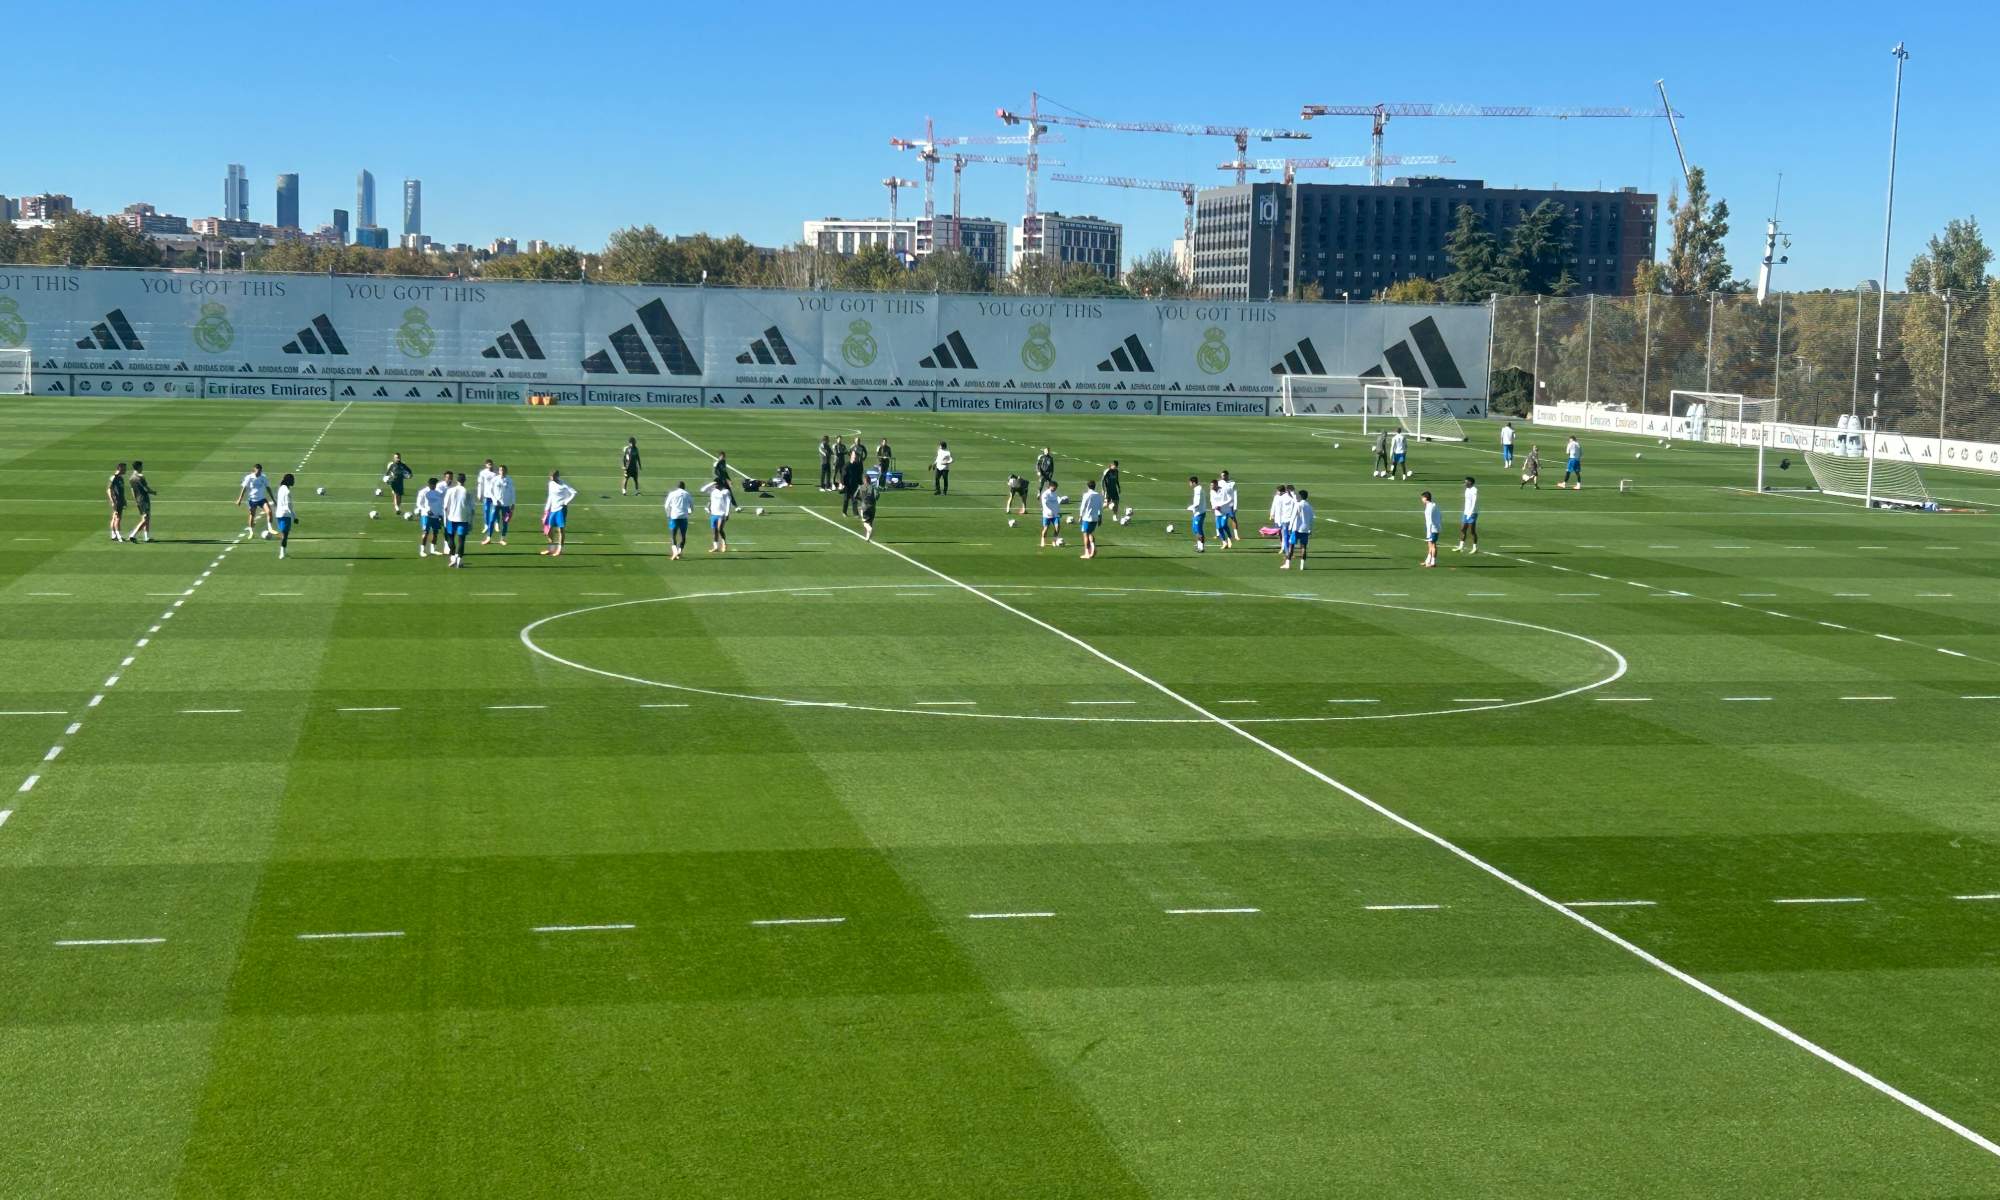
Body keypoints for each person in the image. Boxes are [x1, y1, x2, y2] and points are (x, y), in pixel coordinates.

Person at [541, 471, 577, 556]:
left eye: (553, 476)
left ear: (557, 476)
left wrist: (566, 502)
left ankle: (560, 550)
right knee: (549, 529)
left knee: (560, 529)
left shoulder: (563, 484)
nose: (552, 478)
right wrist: (546, 509)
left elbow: (574, 492)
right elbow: (550, 496)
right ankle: (551, 548)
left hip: (561, 509)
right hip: (553, 509)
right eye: (551, 477)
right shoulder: (550, 484)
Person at [236, 463, 275, 539]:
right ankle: (251, 532)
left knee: (269, 511)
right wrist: (239, 499)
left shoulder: (263, 477)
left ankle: (270, 528)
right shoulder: (249, 477)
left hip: (262, 499)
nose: (260, 473)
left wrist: (273, 499)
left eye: (260, 471)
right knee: (252, 515)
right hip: (252, 500)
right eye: (258, 471)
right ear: (254, 470)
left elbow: (268, 488)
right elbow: (244, 488)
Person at [442, 470, 472, 567]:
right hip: (463, 519)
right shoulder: (467, 492)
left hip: (451, 518)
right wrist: (470, 522)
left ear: (457, 480)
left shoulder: (450, 491)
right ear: (465, 481)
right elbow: (471, 509)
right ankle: (459, 560)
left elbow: (445, 507)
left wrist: (445, 520)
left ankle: (453, 557)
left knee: (450, 538)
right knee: (461, 540)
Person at [1282, 489, 1315, 570]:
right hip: (1305, 529)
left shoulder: (1298, 505)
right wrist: (1310, 529)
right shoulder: (1310, 506)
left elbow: (1293, 516)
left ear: (1300, 496)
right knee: (1303, 547)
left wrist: (1290, 528)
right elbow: (1311, 519)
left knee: (1291, 546)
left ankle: (1288, 564)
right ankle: (1302, 565)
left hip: (1296, 528)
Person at [700, 478, 735, 552]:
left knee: (720, 529)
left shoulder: (726, 491)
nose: (715, 485)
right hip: (713, 513)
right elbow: (702, 490)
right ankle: (715, 547)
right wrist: (712, 483)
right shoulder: (713, 490)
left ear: (720, 484)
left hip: (722, 514)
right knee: (714, 531)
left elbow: (728, 503)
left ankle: (724, 543)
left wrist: (727, 513)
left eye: (716, 484)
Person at [663, 480, 693, 559]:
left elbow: (666, 506)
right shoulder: (687, 494)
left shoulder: (672, 494)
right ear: (684, 487)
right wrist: (689, 512)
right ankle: (679, 551)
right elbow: (691, 506)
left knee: (673, 535)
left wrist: (668, 514)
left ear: (677, 487)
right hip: (684, 517)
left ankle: (675, 552)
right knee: (683, 536)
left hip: (674, 517)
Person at [128, 460, 156, 542]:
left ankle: (147, 537)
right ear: (139, 467)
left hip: (138, 500)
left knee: (146, 517)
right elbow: (146, 488)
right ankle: (133, 535)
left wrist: (135, 500)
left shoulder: (131, 478)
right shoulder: (140, 477)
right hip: (144, 499)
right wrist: (153, 492)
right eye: (141, 466)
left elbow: (132, 490)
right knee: (146, 519)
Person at [415, 476, 443, 557]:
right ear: (429, 484)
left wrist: (441, 514)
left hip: (436, 516)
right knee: (425, 532)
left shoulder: (438, 493)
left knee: (435, 532)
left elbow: (440, 505)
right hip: (426, 515)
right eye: (433, 484)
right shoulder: (423, 492)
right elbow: (419, 504)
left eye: (435, 484)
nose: (434, 486)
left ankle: (433, 549)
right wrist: (426, 511)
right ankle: (422, 550)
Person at [273, 472, 298, 560]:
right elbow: (289, 506)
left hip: (278, 514)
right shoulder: (287, 491)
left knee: (284, 534)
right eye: (292, 480)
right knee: (285, 535)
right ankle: (282, 553)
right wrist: (295, 517)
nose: (294, 481)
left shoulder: (281, 488)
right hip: (285, 514)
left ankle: (283, 552)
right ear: (288, 480)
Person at [1077, 479, 1104, 559]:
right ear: (1094, 487)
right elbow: (1100, 507)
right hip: (1095, 517)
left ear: (1087, 486)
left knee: (1085, 534)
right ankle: (1093, 546)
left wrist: (1080, 516)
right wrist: (1100, 517)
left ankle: (1087, 553)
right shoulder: (1098, 495)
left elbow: (1083, 506)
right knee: (1090, 533)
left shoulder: (1086, 495)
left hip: (1087, 517)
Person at [490, 465, 515, 544]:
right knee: (491, 520)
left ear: (506, 471)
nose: (502, 471)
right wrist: (494, 500)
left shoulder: (509, 480)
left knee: (505, 522)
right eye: (501, 470)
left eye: (504, 470)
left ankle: (502, 539)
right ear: (499, 471)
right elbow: (490, 491)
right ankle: (488, 538)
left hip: (506, 504)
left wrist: (513, 503)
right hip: (496, 504)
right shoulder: (495, 479)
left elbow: (512, 492)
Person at [476, 458, 499, 542]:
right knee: (486, 510)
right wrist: (479, 494)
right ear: (486, 465)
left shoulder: (496, 473)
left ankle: (496, 523)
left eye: (491, 464)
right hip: (486, 495)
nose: (490, 466)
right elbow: (480, 484)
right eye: (488, 464)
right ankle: (486, 525)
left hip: (495, 495)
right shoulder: (483, 473)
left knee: (495, 510)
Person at [1456, 476, 1479, 555]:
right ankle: (1461, 546)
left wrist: (1470, 513)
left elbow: (1474, 502)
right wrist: (1466, 512)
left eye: (1466, 482)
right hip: (1466, 513)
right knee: (1462, 529)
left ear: (1470, 482)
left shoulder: (1474, 490)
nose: (1464, 483)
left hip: (1472, 513)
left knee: (1472, 531)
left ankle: (1475, 548)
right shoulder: (1467, 489)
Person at [106, 462, 128, 542]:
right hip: (116, 501)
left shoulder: (121, 478)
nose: (126, 470)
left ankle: (113, 535)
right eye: (124, 469)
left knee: (115, 517)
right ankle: (119, 536)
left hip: (120, 501)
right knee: (118, 518)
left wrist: (124, 500)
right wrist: (112, 501)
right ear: (120, 469)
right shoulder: (113, 477)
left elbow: (121, 491)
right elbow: (108, 489)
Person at [1208, 478, 1232, 548]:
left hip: (1225, 511)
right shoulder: (1211, 491)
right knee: (1219, 527)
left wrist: (1220, 505)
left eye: (1212, 485)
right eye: (1210, 485)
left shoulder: (1223, 490)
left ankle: (1230, 538)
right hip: (1217, 512)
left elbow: (1230, 499)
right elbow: (1211, 500)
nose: (1211, 487)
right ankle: (1224, 542)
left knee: (1224, 525)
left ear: (1216, 485)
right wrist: (1213, 507)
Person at [1038, 479, 1062, 548]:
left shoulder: (1055, 494)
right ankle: (1043, 540)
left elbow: (1056, 504)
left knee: (1057, 527)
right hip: (1047, 514)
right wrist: (1049, 512)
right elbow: (1045, 504)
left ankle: (1054, 541)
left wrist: (1058, 512)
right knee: (1046, 528)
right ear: (1050, 486)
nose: (1055, 488)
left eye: (1056, 487)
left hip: (1055, 514)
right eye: (1054, 487)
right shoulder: (1045, 494)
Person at [1186, 474, 1208, 553]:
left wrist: (1191, 507)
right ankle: (1199, 546)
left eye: (1190, 483)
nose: (1189, 484)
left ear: (1193, 482)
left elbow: (1197, 503)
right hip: (1197, 513)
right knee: (1195, 529)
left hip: (1200, 513)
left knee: (1198, 530)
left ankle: (1201, 547)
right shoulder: (1198, 489)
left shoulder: (1198, 490)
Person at [1217, 470, 1240, 543]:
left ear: (1227, 475)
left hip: (1230, 504)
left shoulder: (1232, 483)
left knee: (1233, 518)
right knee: (1222, 519)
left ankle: (1236, 535)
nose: (1222, 477)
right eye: (1221, 475)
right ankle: (1220, 534)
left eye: (1223, 475)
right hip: (1223, 504)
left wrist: (1235, 506)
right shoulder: (1219, 483)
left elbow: (1235, 494)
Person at [841, 446, 865, 516]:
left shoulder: (857, 465)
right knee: (846, 499)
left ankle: (855, 513)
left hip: (854, 485)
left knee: (854, 500)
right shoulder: (847, 465)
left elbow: (858, 476)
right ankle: (844, 512)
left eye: (856, 456)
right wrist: (843, 484)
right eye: (854, 455)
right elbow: (843, 475)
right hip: (848, 485)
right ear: (851, 456)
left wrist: (861, 483)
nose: (855, 457)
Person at [1421, 490, 1441, 567]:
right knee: (1430, 545)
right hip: (1431, 528)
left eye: (1422, 498)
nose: (1422, 500)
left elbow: (1430, 520)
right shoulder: (1432, 505)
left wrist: (1429, 531)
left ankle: (1433, 562)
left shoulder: (1430, 507)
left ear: (1425, 498)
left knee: (1433, 545)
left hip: (1433, 528)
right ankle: (1427, 561)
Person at [857, 475, 880, 541]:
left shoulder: (861, 487)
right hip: (872, 506)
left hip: (864, 506)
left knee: (865, 522)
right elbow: (877, 495)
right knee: (870, 521)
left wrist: (861, 499)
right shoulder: (873, 487)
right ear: (870, 480)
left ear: (864, 480)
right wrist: (874, 499)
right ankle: (867, 538)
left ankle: (869, 529)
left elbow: (855, 495)